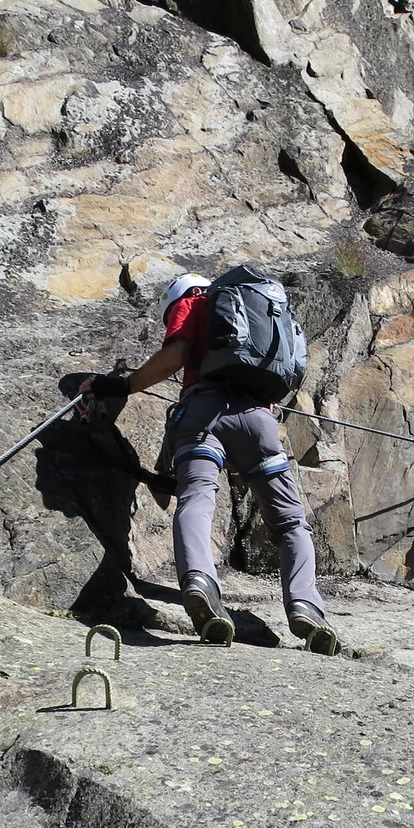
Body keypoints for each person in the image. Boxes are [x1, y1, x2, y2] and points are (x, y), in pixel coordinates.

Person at [84, 272, 339, 655]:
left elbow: (179, 353)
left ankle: (200, 581)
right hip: (258, 421)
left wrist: (123, 386)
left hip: (201, 415)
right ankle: (306, 607)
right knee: (289, 522)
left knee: (198, 498)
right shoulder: (260, 317)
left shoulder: (192, 302)